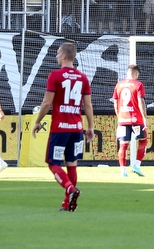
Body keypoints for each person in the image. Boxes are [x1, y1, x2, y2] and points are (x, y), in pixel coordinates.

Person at [32, 42, 94, 211]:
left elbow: (46, 103)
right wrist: (90, 126)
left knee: (53, 164)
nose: (57, 56)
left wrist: (38, 121)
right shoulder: (83, 78)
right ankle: (66, 203)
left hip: (60, 129)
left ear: (64, 56)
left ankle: (70, 189)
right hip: (76, 129)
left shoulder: (55, 76)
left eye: (58, 53)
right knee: (72, 164)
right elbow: (87, 106)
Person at [112, 64, 148, 178]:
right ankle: (136, 165)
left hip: (122, 119)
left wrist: (119, 116)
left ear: (128, 73)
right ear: (136, 74)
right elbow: (140, 102)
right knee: (143, 141)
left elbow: (115, 103)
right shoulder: (138, 85)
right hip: (136, 120)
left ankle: (123, 171)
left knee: (123, 145)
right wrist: (145, 119)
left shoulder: (119, 85)